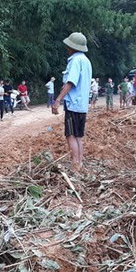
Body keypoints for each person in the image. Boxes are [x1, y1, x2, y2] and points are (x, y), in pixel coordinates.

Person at [51, 32, 92, 173]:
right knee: (79, 136)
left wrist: (57, 100)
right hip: (82, 106)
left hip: (73, 104)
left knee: (70, 135)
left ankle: (75, 164)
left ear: (72, 47)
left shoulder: (75, 61)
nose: (67, 48)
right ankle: (79, 163)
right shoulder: (86, 61)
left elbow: (70, 83)